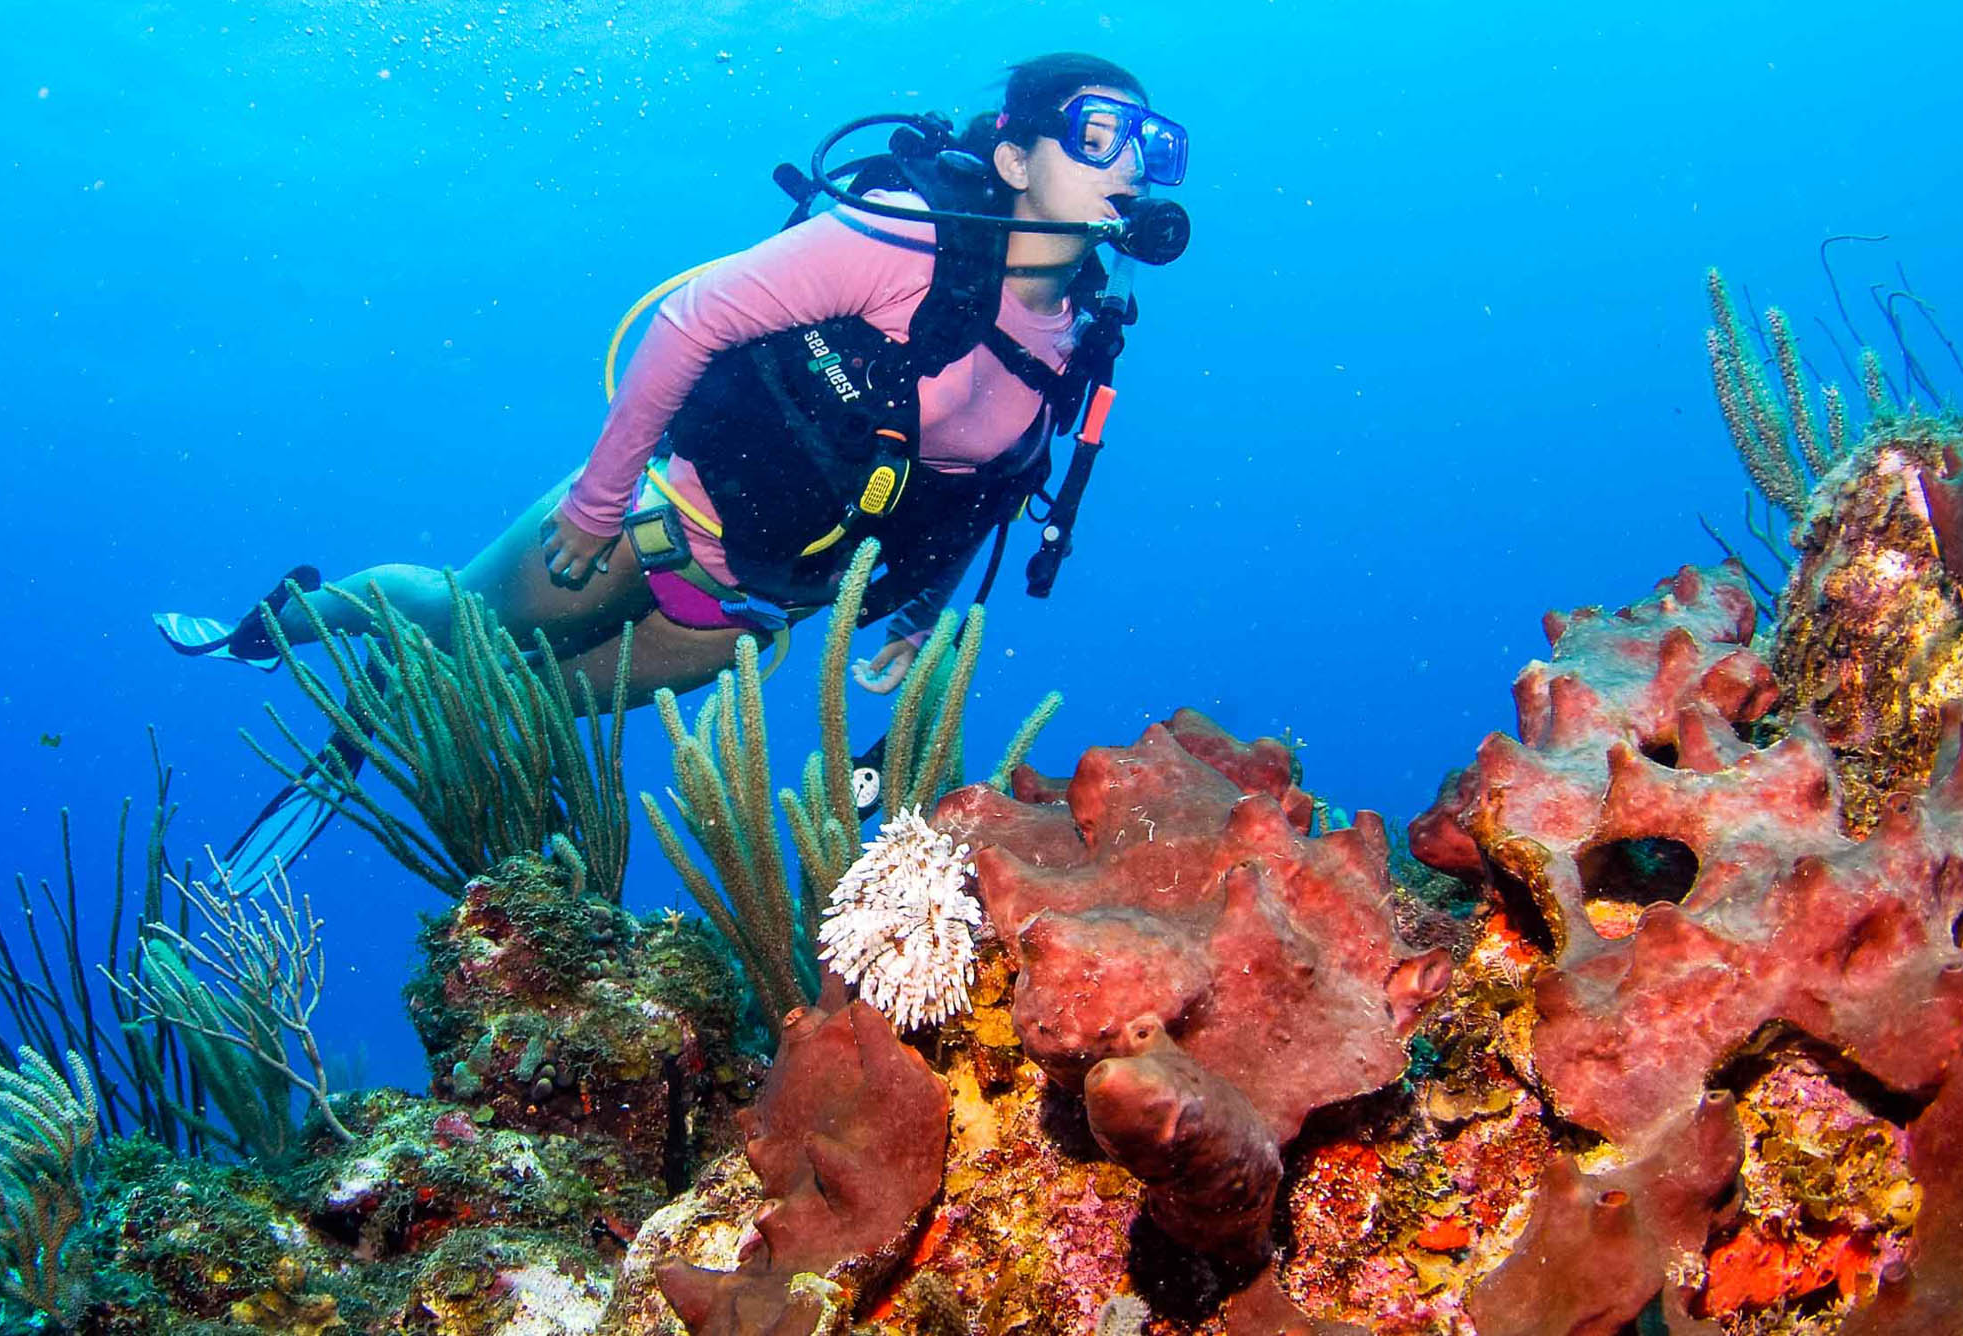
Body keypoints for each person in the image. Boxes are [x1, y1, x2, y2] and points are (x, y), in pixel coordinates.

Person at [156, 52, 1190, 871]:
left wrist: (920, 618)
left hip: (743, 615)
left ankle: (373, 714)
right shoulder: (905, 239)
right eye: (1098, 132)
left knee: (503, 703)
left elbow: (984, 495)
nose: (1128, 163)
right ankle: (293, 619)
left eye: (1152, 146)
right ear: (1014, 158)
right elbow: (693, 318)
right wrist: (600, 500)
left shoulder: (1081, 341)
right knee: (447, 618)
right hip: (645, 527)